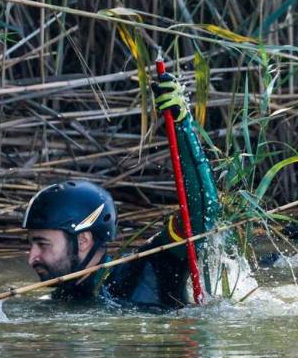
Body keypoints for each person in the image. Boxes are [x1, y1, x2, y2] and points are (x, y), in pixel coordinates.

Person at [22, 74, 219, 308]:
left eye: (43, 244)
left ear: (83, 241)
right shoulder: (62, 298)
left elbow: (203, 214)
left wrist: (182, 124)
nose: (31, 257)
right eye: (32, 245)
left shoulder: (151, 266)